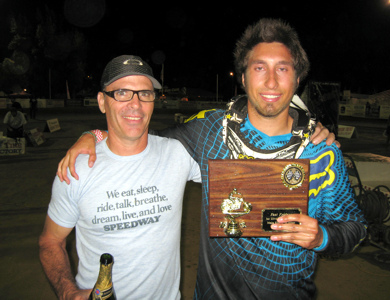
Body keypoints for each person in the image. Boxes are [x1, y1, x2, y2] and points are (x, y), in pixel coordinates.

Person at [57, 19, 366, 299]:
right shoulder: (210, 130)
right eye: (259, 68)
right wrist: (94, 134)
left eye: (282, 68)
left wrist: (322, 237)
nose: (271, 81)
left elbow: (355, 228)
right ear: (243, 78)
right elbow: (139, 133)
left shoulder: (321, 151)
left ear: (297, 78)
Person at [38, 55, 201, 300]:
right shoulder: (76, 169)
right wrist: (67, 292)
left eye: (144, 93)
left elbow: (238, 171)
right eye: (122, 92)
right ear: (102, 102)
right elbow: (50, 242)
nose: (135, 104)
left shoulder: (178, 154)